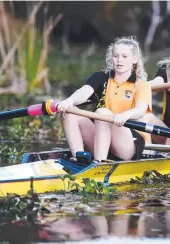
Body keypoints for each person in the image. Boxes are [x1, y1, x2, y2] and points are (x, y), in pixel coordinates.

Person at [56, 36, 152, 164]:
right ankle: (78, 158)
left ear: (134, 59)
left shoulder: (141, 85)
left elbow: (140, 110)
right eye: (116, 56)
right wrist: (69, 101)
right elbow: (84, 92)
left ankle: (99, 162)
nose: (119, 60)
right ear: (111, 57)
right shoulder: (101, 77)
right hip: (100, 136)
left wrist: (126, 114)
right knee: (70, 111)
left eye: (124, 56)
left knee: (102, 113)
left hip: (127, 144)